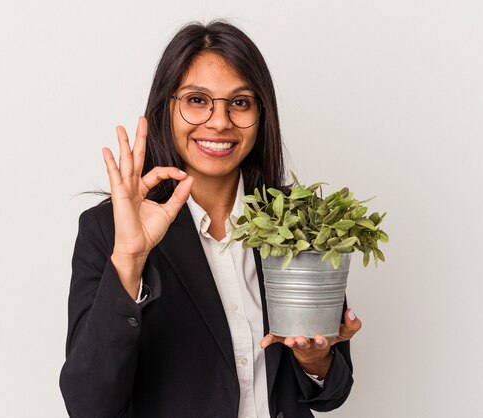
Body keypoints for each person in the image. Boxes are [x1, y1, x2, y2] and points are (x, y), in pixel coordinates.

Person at [59, 21, 362, 418]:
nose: (219, 122)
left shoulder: (298, 219)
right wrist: (130, 260)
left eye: (239, 103)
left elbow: (332, 392)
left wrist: (316, 360)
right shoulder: (109, 229)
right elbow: (88, 406)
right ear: (166, 108)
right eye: (197, 100)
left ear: (261, 114)